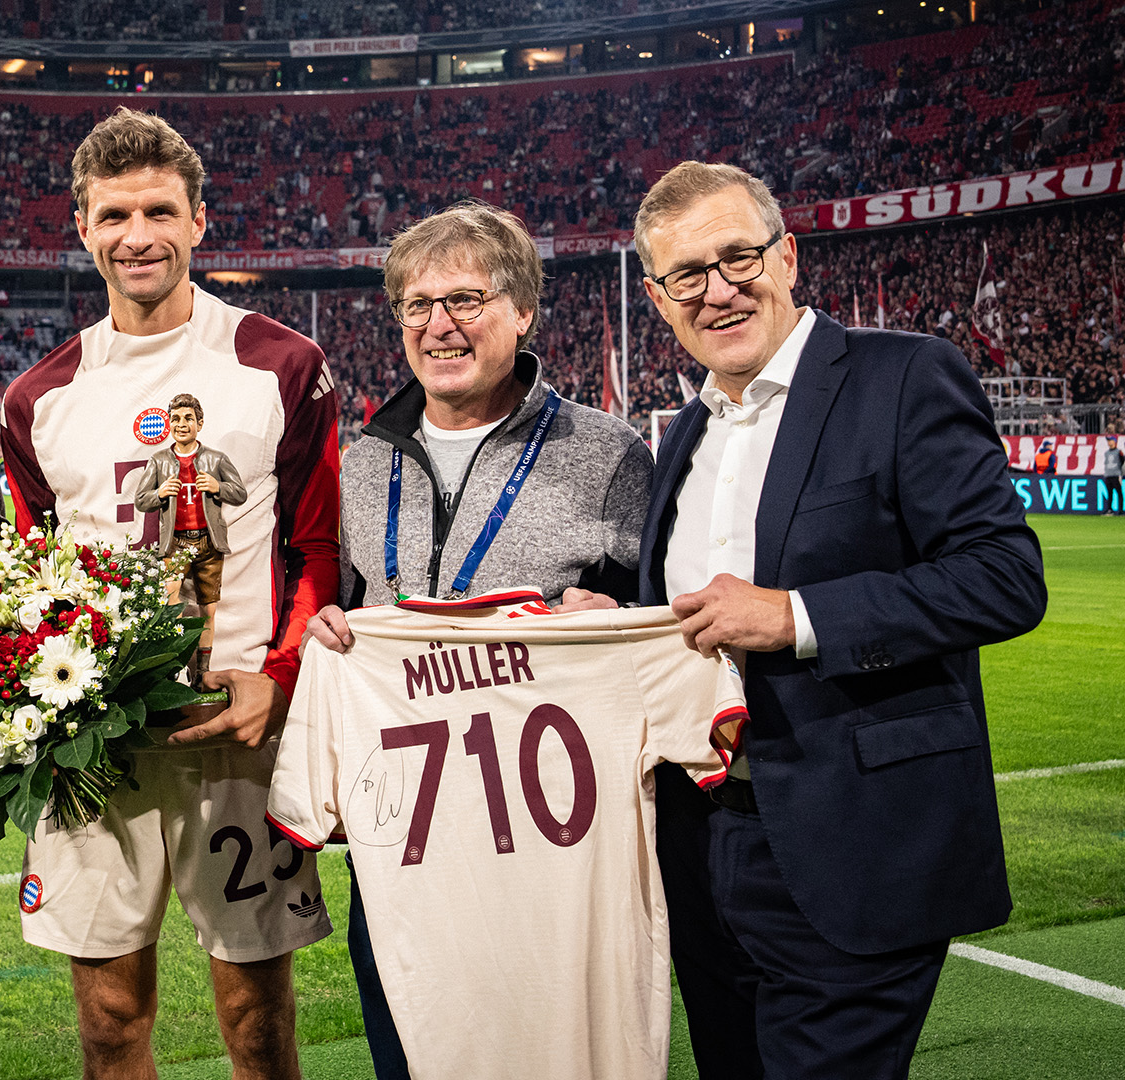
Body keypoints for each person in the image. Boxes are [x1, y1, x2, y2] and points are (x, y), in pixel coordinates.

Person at [631, 161, 1047, 1080]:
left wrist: (798, 616)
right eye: (686, 275)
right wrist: (621, 617)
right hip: (702, 845)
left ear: (788, 256)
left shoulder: (902, 376)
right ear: (659, 300)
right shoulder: (687, 432)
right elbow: (695, 616)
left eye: (737, 257)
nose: (718, 289)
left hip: (856, 842)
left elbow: (1005, 577)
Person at [1, 107, 340, 1080]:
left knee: (259, 1023)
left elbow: (315, 549)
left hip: (235, 736)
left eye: (158, 210)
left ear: (198, 221)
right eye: (113, 215)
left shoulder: (279, 366)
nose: (136, 234)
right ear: (82, 226)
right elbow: (34, 575)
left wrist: (276, 673)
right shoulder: (39, 397)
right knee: (109, 1022)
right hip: (97, 752)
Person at [299, 200, 652, 1078]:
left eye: (466, 300)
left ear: (524, 310)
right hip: (404, 842)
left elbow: (662, 624)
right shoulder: (361, 458)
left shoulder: (609, 453)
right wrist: (329, 624)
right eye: (416, 306)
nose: (439, 326)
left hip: (548, 841)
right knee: (405, 1049)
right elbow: (340, 602)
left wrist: (618, 617)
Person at [132, 392, 246, 678]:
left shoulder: (217, 459)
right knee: (171, 607)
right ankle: (172, 669)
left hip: (208, 542)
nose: (181, 424)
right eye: (176, 418)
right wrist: (159, 493)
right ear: (168, 424)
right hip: (175, 543)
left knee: (208, 610)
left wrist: (218, 487)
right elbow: (141, 500)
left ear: (200, 423)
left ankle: (202, 673)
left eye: (188, 419)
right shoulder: (159, 461)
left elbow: (240, 493)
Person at [1100, 436, 1121, 515]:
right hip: (1108, 475)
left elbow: (1122, 463)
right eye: (1108, 441)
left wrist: (1120, 474)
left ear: (1114, 442)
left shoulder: (1119, 452)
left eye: (1110, 440)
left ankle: (1121, 510)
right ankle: (1109, 510)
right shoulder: (1106, 453)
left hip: (1116, 475)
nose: (1109, 442)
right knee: (1109, 493)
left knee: (1119, 493)